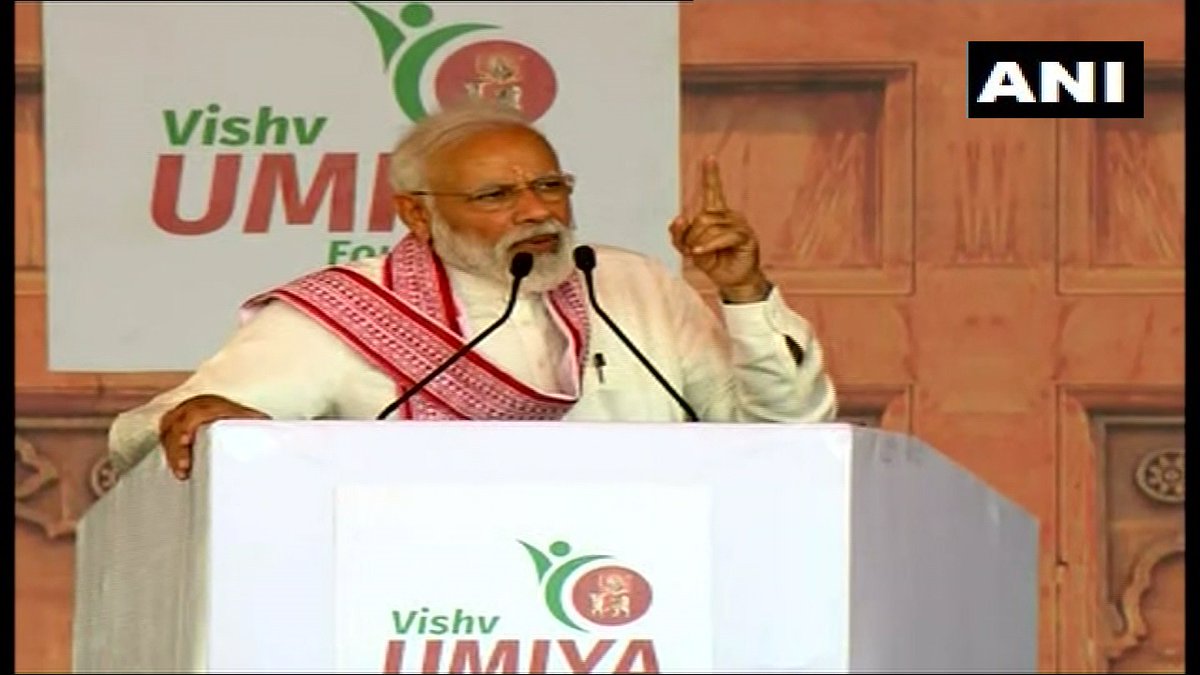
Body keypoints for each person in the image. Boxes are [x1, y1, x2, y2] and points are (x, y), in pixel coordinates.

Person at [106, 102, 839, 481]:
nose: (537, 211)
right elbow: (151, 431)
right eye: (496, 194)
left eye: (550, 185)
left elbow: (785, 442)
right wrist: (213, 420)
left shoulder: (633, 283)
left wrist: (744, 294)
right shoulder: (347, 314)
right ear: (417, 213)